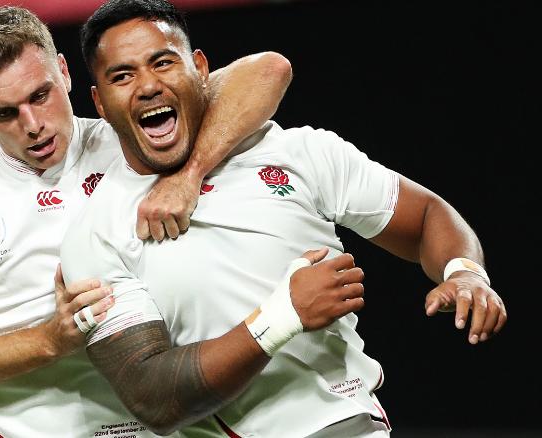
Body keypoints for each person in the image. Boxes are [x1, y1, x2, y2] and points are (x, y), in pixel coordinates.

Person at [60, 0, 508, 436]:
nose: (148, 86)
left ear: (200, 68)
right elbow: (153, 397)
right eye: (123, 75)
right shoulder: (97, 231)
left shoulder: (296, 152)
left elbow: (427, 214)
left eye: (163, 63)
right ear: (99, 103)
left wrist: (465, 272)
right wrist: (282, 316)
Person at [0, 5, 294, 437]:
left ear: (64, 73)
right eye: (5, 114)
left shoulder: (132, 142)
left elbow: (267, 71)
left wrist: (189, 174)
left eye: (40, 95)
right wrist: (51, 339)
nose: (32, 125)